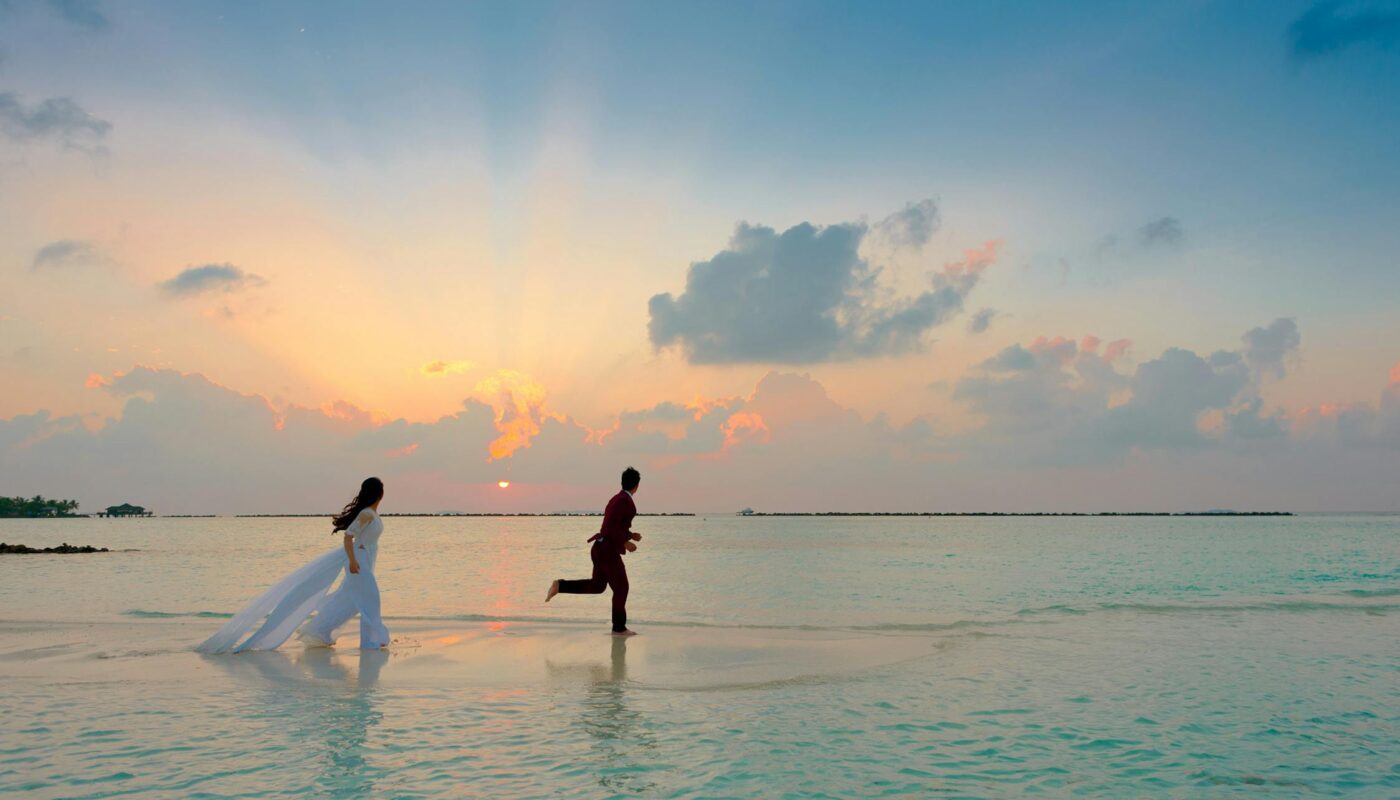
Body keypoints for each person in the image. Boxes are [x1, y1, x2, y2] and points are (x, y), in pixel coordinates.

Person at [196, 477, 391, 654]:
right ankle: (371, 642)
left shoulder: (372, 514)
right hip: (358, 562)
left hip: (365, 560)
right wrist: (352, 561)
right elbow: (348, 536)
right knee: (371, 600)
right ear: (379, 494)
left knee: (349, 602)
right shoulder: (366, 514)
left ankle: (318, 631)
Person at [545, 467, 643, 635]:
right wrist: (625, 542)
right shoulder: (624, 501)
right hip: (606, 550)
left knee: (597, 586)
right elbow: (610, 526)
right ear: (637, 486)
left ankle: (560, 585)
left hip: (600, 548)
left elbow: (613, 526)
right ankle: (619, 628)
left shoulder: (617, 498)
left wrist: (630, 535)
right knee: (621, 588)